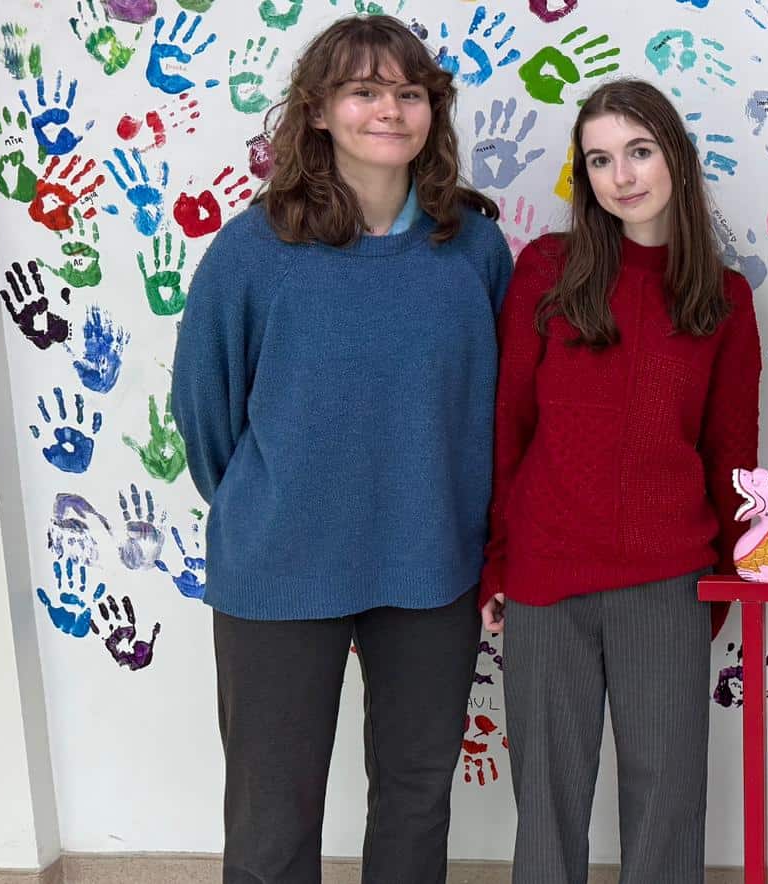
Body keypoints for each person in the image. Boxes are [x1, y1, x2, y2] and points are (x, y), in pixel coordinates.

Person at [170, 15, 512, 884]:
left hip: (432, 560)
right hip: (280, 564)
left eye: (409, 93)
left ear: (432, 110)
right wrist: (272, 503)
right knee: (272, 806)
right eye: (364, 91)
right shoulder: (254, 250)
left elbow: (502, 405)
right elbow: (205, 409)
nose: (389, 110)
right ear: (319, 110)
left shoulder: (473, 247)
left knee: (414, 792)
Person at [479, 78, 761, 883]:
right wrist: (496, 563)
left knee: (668, 804)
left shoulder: (724, 300)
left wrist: (727, 582)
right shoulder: (546, 271)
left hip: (669, 581)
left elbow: (731, 457)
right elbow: (509, 430)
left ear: (675, 155)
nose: (622, 176)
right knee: (547, 806)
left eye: (639, 151)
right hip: (545, 576)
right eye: (599, 160)